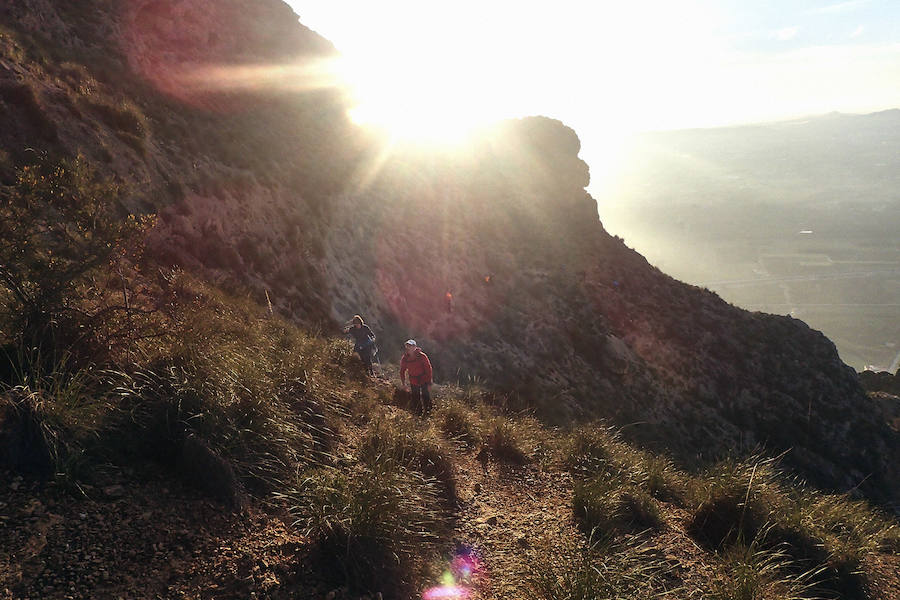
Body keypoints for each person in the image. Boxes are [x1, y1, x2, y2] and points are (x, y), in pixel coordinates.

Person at [399, 339, 433, 412]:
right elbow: (402, 371)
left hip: (424, 379)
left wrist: (429, 382)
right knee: (415, 398)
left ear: (415, 347)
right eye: (407, 346)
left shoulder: (422, 356)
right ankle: (418, 414)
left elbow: (428, 369)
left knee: (426, 397)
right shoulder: (405, 358)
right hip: (413, 380)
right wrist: (403, 384)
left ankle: (428, 413)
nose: (408, 348)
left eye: (410, 346)